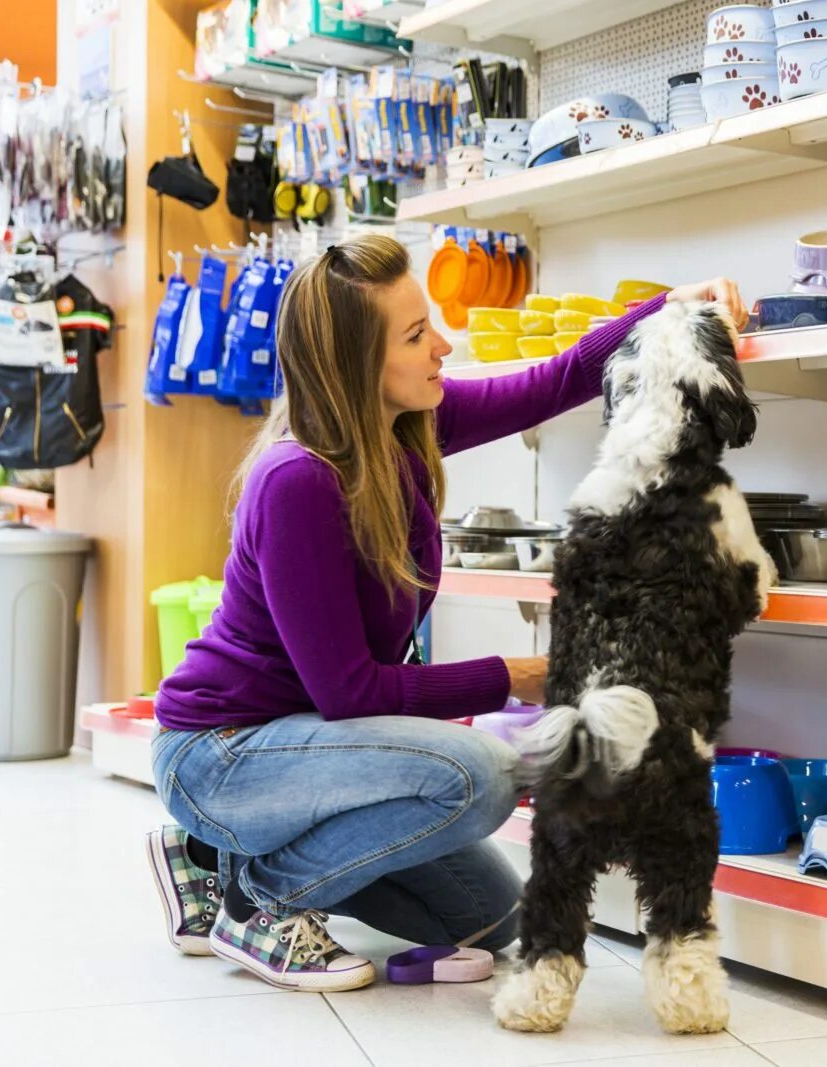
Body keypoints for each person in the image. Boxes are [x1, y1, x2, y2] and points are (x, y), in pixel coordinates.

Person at [145, 233, 747, 992]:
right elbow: (349, 693)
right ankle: (257, 900)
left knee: (500, 919)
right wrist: (520, 675)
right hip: (223, 752)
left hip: (313, 749)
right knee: (486, 771)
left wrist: (667, 311)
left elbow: (551, 380)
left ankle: (212, 855)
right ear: (356, 365)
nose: (445, 343)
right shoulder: (297, 480)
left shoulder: (408, 425)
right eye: (416, 333)